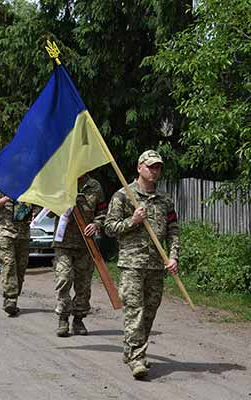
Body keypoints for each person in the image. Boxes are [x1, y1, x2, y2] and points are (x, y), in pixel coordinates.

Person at [104, 150, 180, 379]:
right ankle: (138, 358)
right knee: (134, 311)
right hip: (132, 264)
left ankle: (131, 349)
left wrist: (174, 256)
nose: (154, 171)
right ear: (139, 168)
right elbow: (109, 228)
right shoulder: (123, 196)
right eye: (150, 166)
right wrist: (133, 221)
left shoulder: (165, 200)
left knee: (149, 313)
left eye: (158, 167)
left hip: (157, 265)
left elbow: (174, 231)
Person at [53, 174, 105, 338]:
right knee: (64, 279)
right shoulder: (61, 183)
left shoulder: (95, 186)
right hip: (64, 243)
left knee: (83, 285)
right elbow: (46, 211)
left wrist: (96, 224)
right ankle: (63, 318)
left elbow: (102, 211)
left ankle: (78, 319)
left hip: (85, 245)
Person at [0, 189, 33, 316]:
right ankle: (10, 299)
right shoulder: (2, 183)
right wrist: (6, 198)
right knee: (8, 264)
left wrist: (34, 214)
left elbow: (38, 203)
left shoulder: (30, 183)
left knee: (21, 267)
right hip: (5, 231)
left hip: (23, 233)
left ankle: (13, 297)